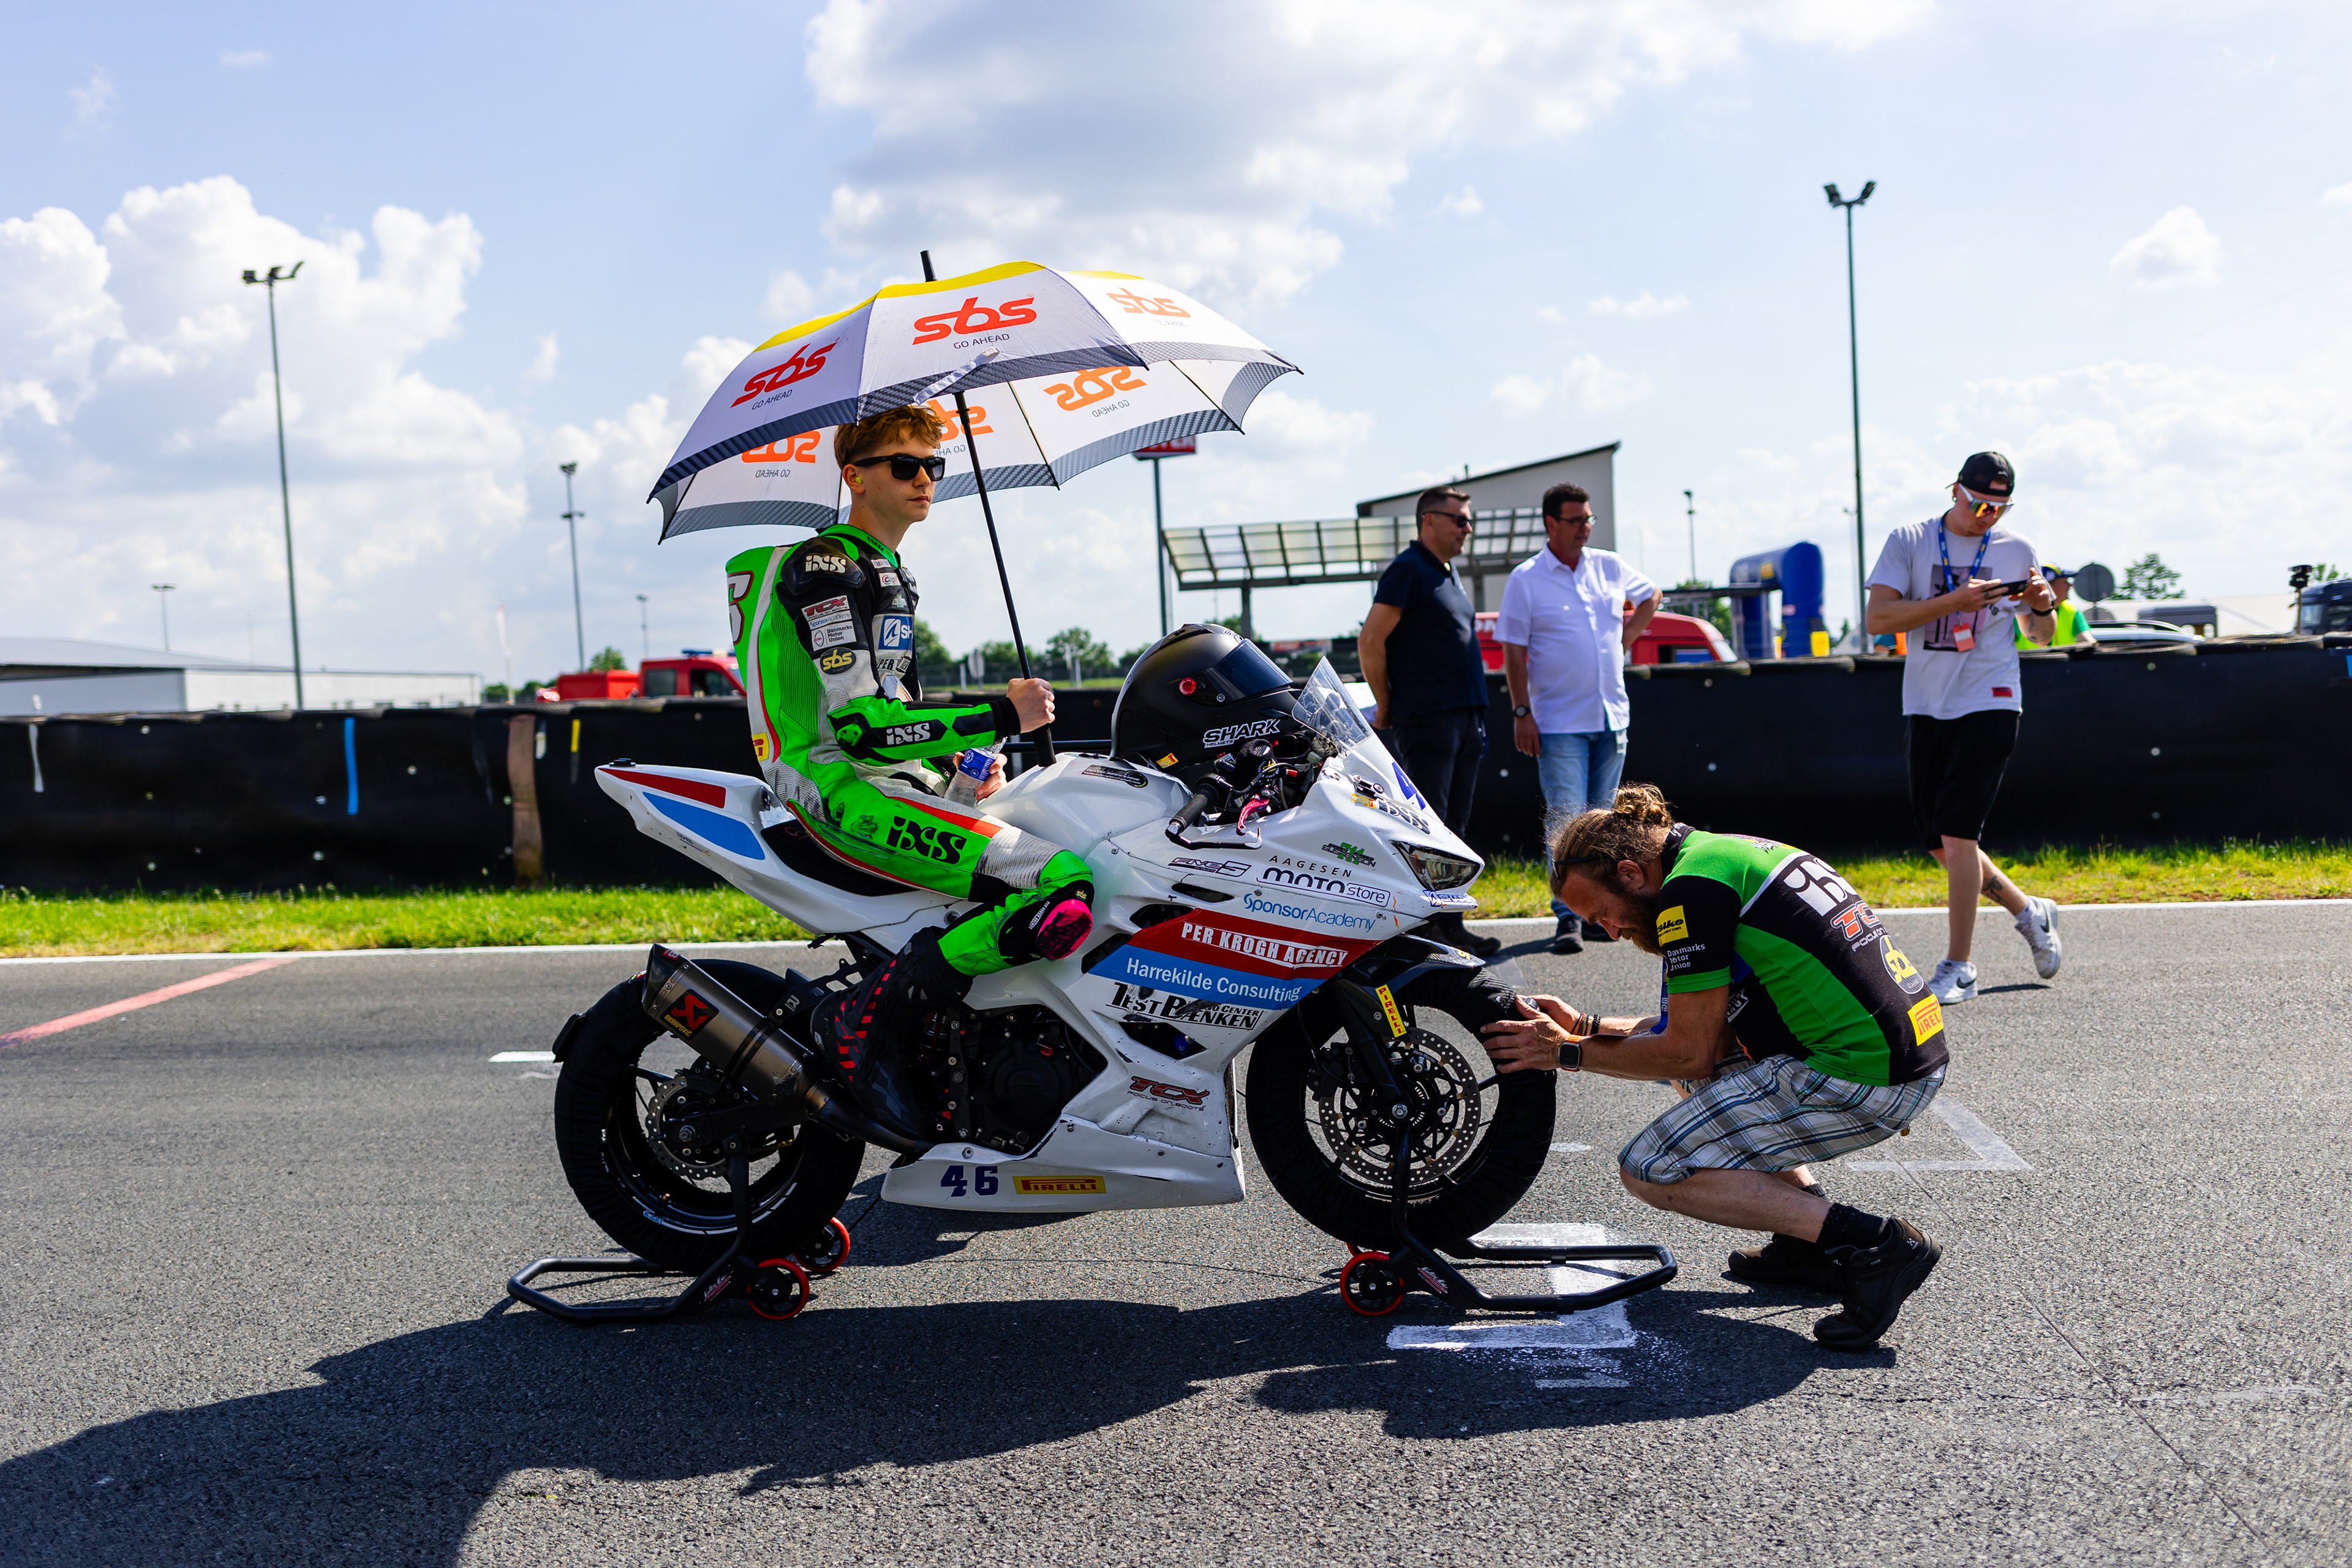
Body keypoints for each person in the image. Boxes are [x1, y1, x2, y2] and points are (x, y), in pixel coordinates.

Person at [726, 404, 1096, 1138]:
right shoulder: (826, 568)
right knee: (1061, 883)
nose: (925, 478)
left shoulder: (888, 571)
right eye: (905, 465)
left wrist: (956, 759)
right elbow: (863, 729)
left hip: (888, 780)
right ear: (855, 477)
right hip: (837, 788)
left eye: (934, 465)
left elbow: (897, 712)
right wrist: (1001, 714)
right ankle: (868, 1024)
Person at [1480, 785, 1949, 1350]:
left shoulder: (1690, 895)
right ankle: (1807, 1245)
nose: (1611, 932)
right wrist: (1585, 1025)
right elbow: (1697, 1036)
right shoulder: (1719, 857)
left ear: (1630, 873)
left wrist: (1564, 1052)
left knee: (1650, 1166)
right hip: (1895, 1054)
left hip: (1865, 1078)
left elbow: (1687, 1049)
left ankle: (1875, 1244)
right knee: (1696, 1078)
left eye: (1603, 914)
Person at [1863, 451, 2064, 1006]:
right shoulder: (1909, 540)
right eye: (1979, 504)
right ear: (1954, 491)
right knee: (1939, 843)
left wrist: (2041, 606)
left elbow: (2041, 635)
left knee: (1958, 835)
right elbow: (1878, 619)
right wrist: (1954, 601)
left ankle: (1960, 966)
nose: (1988, 516)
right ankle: (2028, 909)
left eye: (2000, 507)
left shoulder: (2017, 548)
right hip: (1928, 702)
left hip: (1992, 697)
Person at [1495, 481, 1659, 956]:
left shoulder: (1608, 564)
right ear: (1551, 523)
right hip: (1558, 721)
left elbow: (1652, 594)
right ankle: (1568, 914)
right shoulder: (1526, 578)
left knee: (1605, 821)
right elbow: (1513, 651)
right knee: (1567, 821)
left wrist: (1624, 640)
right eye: (1576, 520)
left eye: (1588, 518)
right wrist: (1521, 711)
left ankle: (1603, 912)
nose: (1585, 527)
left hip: (1611, 715)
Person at [1358, 485, 1500, 957]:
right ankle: (1424, 930)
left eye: (1469, 520)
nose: (1467, 528)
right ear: (1429, 521)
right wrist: (1384, 703)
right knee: (1429, 828)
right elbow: (1371, 640)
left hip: (1465, 718)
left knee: (1453, 829)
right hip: (1428, 718)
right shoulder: (1408, 569)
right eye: (1459, 519)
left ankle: (1449, 925)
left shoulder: (1447, 572)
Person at [2013, 564, 2097, 649]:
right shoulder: (2021, 612)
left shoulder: (2071, 610)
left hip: (2061, 658)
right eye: (2065, 582)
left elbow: (2088, 642)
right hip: (2029, 658)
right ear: (2049, 586)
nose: (2071, 585)